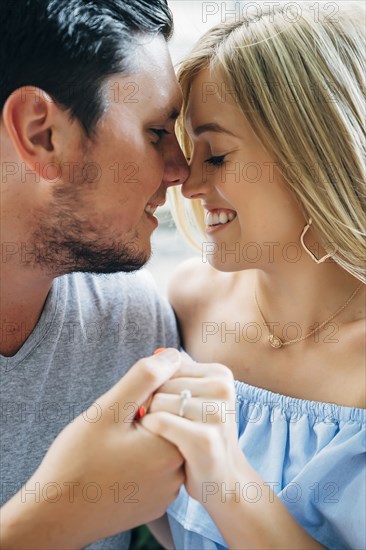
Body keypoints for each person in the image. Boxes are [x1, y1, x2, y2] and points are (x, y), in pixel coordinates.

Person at [142, 2, 366, 548]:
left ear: (312, 154)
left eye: (214, 156)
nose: (187, 185)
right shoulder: (187, 303)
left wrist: (223, 474)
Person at [0, 0, 193, 548]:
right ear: (43, 135)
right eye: (157, 132)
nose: (181, 170)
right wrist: (51, 521)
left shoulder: (132, 322)